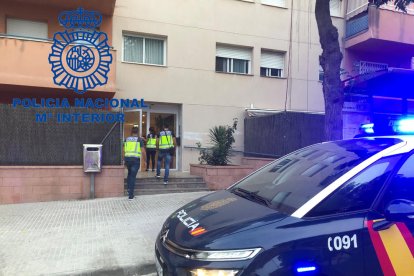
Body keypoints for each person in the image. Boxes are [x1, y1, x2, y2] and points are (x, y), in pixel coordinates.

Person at [124, 126, 145, 200]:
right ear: (137, 132)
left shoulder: (126, 139)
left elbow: (123, 150)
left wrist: (123, 160)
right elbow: (143, 151)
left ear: (131, 132)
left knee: (129, 174)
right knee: (132, 176)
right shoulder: (139, 140)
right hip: (135, 160)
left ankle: (128, 190)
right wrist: (144, 160)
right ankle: (131, 196)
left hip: (127, 160)